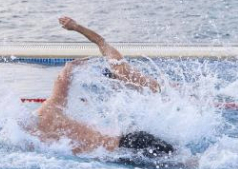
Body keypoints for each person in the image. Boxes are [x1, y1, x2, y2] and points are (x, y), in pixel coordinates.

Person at [29, 17, 175, 160]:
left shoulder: (39, 137)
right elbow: (69, 69)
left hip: (124, 148)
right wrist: (76, 28)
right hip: (130, 142)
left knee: (182, 162)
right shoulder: (51, 108)